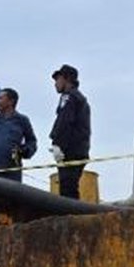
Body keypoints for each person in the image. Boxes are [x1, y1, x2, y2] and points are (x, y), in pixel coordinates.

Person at [48, 64, 91, 200]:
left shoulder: (69, 97)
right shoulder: (78, 98)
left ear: (66, 79)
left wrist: (58, 145)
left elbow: (64, 121)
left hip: (71, 151)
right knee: (69, 187)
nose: (55, 83)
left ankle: (72, 217)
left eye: (58, 79)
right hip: (78, 150)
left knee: (67, 190)